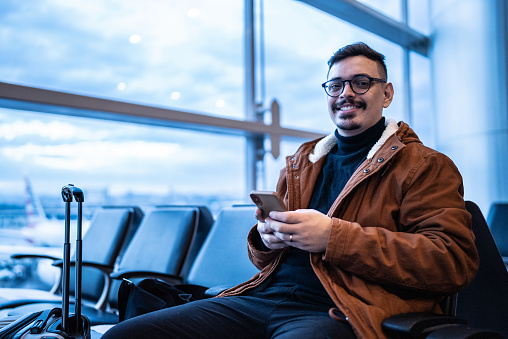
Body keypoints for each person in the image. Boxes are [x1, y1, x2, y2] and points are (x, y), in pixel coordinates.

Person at [102, 42, 479, 339]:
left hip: (340, 309)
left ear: (387, 93)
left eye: (361, 82)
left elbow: (452, 260)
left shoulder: (424, 165)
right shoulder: (303, 160)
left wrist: (333, 237)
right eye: (335, 85)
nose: (346, 93)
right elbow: (265, 262)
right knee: (124, 334)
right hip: (263, 298)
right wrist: (268, 239)